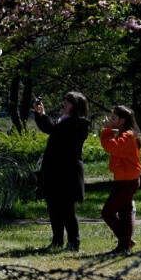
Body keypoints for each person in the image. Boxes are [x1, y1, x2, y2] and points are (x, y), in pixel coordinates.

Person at [33, 91, 90, 251]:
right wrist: (41, 114)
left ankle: (74, 242)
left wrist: (43, 116)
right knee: (53, 207)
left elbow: (53, 130)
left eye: (68, 103)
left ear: (76, 106)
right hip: (55, 170)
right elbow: (51, 128)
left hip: (68, 172)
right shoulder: (63, 121)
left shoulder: (79, 123)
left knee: (67, 209)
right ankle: (57, 241)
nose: (65, 105)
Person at [100, 106, 141, 254]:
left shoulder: (128, 135)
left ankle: (126, 242)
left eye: (113, 118)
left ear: (122, 120)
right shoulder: (125, 133)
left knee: (107, 212)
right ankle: (125, 245)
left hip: (127, 181)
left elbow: (111, 147)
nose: (110, 120)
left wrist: (106, 131)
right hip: (125, 179)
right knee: (125, 212)